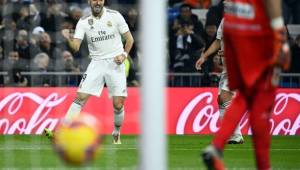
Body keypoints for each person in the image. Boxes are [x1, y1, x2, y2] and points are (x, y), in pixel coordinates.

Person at [201, 0, 290, 169]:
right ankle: (263, 165)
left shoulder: (231, 12)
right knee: (260, 105)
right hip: (259, 44)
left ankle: (217, 145)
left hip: (240, 39)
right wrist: (282, 41)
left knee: (242, 96)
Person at [44, 0, 134, 145]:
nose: (97, 2)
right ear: (89, 2)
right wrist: (68, 38)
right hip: (96, 63)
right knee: (80, 97)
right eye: (94, 0)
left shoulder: (115, 16)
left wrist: (123, 55)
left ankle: (116, 132)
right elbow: (75, 48)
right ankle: (61, 133)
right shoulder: (84, 22)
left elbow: (130, 39)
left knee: (118, 105)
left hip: (115, 63)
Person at [195, 18, 244, 144]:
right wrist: (204, 56)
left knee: (224, 97)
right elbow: (218, 41)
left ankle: (232, 133)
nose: (225, 2)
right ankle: (234, 134)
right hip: (227, 67)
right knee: (221, 100)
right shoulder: (225, 20)